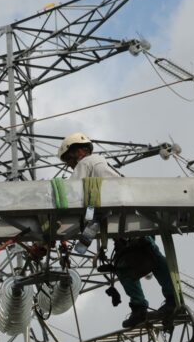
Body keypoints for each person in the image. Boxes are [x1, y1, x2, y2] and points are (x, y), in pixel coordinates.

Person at [57, 132, 176, 328]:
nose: (70, 164)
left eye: (69, 159)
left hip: (127, 217)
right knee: (126, 262)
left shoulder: (87, 163)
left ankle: (167, 300)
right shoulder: (100, 164)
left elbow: (71, 193)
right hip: (128, 215)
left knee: (149, 256)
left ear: (79, 151)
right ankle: (142, 306)